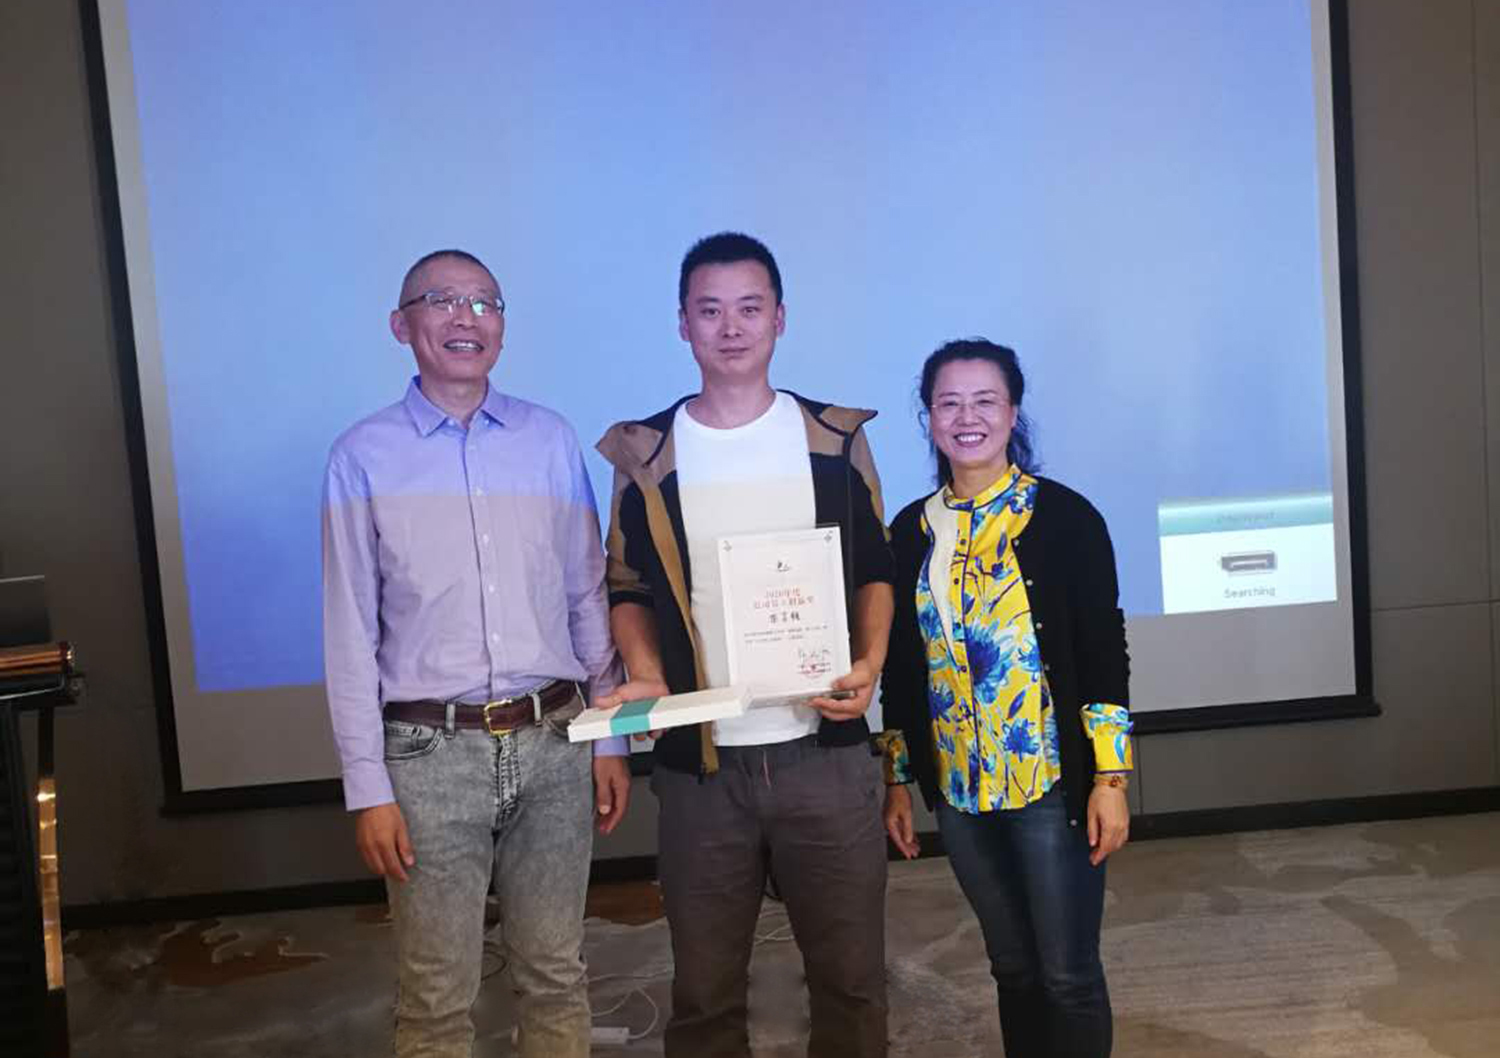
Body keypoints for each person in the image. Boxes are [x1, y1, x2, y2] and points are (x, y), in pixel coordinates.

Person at [322, 248, 632, 1058]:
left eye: (485, 303)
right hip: (429, 757)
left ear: (502, 326)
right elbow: (349, 631)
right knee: (434, 999)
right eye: (442, 300)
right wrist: (367, 787)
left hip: (556, 742)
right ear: (401, 326)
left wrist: (610, 738)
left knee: (556, 974)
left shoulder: (549, 440)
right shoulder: (362, 456)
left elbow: (586, 593)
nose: (467, 318)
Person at [594, 232, 895, 1057]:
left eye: (749, 308)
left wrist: (870, 663)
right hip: (702, 768)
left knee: (852, 985)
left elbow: (874, 569)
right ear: (682, 324)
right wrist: (646, 671)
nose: (731, 328)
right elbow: (626, 585)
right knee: (703, 996)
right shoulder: (646, 453)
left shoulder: (833, 438)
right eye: (710, 310)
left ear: (780, 319)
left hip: (824, 755)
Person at [879, 339, 1133, 1058]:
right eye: (949, 403)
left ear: (1013, 412)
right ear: (929, 417)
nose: (968, 418)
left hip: (1049, 787)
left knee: (1067, 975)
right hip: (961, 793)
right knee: (1012, 968)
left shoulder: (1066, 519)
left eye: (985, 401)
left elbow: (1103, 653)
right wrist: (897, 779)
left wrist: (1110, 779)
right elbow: (903, 668)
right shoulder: (909, 531)